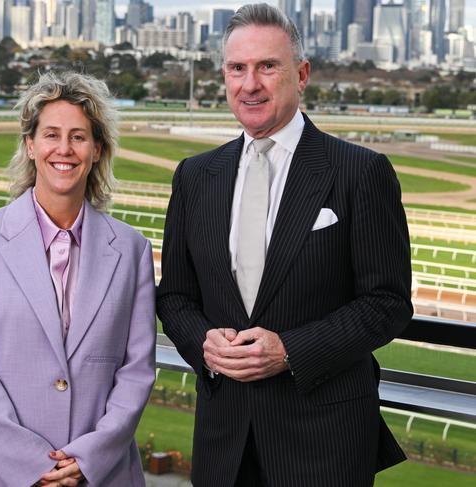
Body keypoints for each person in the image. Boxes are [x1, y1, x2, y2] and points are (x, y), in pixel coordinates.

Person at [157, 4, 412, 486]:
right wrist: (204, 344)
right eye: (237, 68)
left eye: (267, 66)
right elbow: (175, 297)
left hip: (324, 446)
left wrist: (290, 350)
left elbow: (388, 303)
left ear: (302, 73)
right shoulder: (194, 176)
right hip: (224, 444)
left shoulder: (361, 172)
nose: (250, 83)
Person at [0, 71, 156, 487]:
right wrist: (32, 464)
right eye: (51, 135)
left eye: (78, 137)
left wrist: (90, 458)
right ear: (30, 145)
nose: (64, 149)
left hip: (100, 473)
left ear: (97, 150)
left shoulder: (132, 250)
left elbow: (137, 369)